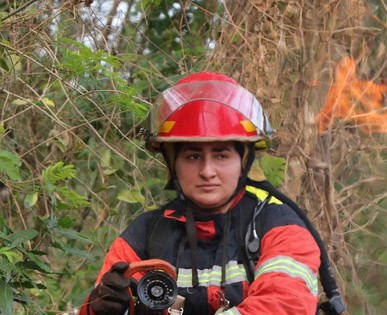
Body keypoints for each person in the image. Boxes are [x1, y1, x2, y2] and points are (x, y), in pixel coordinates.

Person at [79, 72, 322, 315]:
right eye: (193, 156)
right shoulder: (145, 234)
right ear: (173, 163)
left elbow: (284, 305)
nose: (207, 171)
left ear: (243, 161)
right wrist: (99, 308)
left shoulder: (280, 227)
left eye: (221, 155)